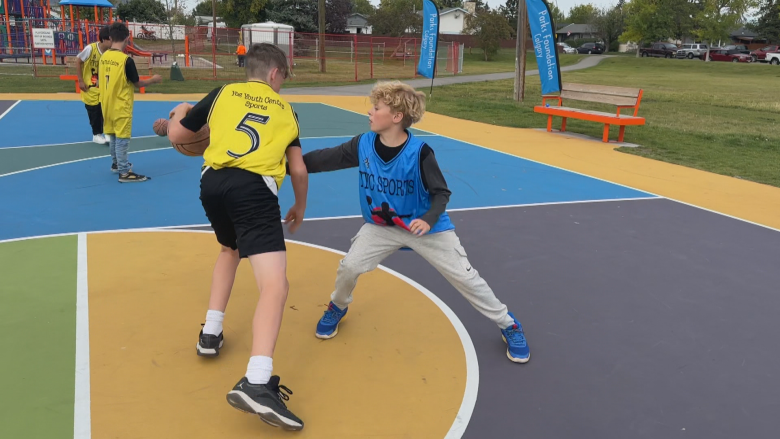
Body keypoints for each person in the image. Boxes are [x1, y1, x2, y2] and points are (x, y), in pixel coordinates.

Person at [294, 80, 531, 364]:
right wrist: (284, 166)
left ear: (396, 117)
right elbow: (324, 160)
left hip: (425, 227)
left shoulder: (420, 153)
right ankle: (338, 305)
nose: (370, 112)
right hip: (382, 227)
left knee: (466, 277)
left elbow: (441, 193)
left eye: (376, 108)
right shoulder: (363, 144)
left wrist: (429, 219)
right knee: (350, 267)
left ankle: (508, 324)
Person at [167, 42, 309, 431]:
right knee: (275, 286)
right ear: (276, 74)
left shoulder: (223, 93)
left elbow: (179, 134)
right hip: (253, 189)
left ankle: (210, 333)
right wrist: (300, 205)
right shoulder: (287, 111)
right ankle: (257, 381)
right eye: (284, 79)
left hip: (212, 183)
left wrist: (178, 113)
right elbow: (297, 169)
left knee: (230, 249)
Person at [98, 22, 162, 183]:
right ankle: (124, 172)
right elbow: (137, 83)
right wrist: (153, 80)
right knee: (121, 139)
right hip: (121, 105)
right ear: (127, 38)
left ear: (111, 38)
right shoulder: (126, 61)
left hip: (106, 104)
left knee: (112, 135)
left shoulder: (104, 57)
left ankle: (116, 164)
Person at [76, 26, 112, 145]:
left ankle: (106, 132)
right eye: (111, 39)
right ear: (104, 40)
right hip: (90, 87)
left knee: (106, 111)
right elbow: (78, 61)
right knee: (94, 112)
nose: (113, 42)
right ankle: (96, 134)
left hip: (104, 87)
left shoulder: (111, 52)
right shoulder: (90, 49)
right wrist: (80, 80)